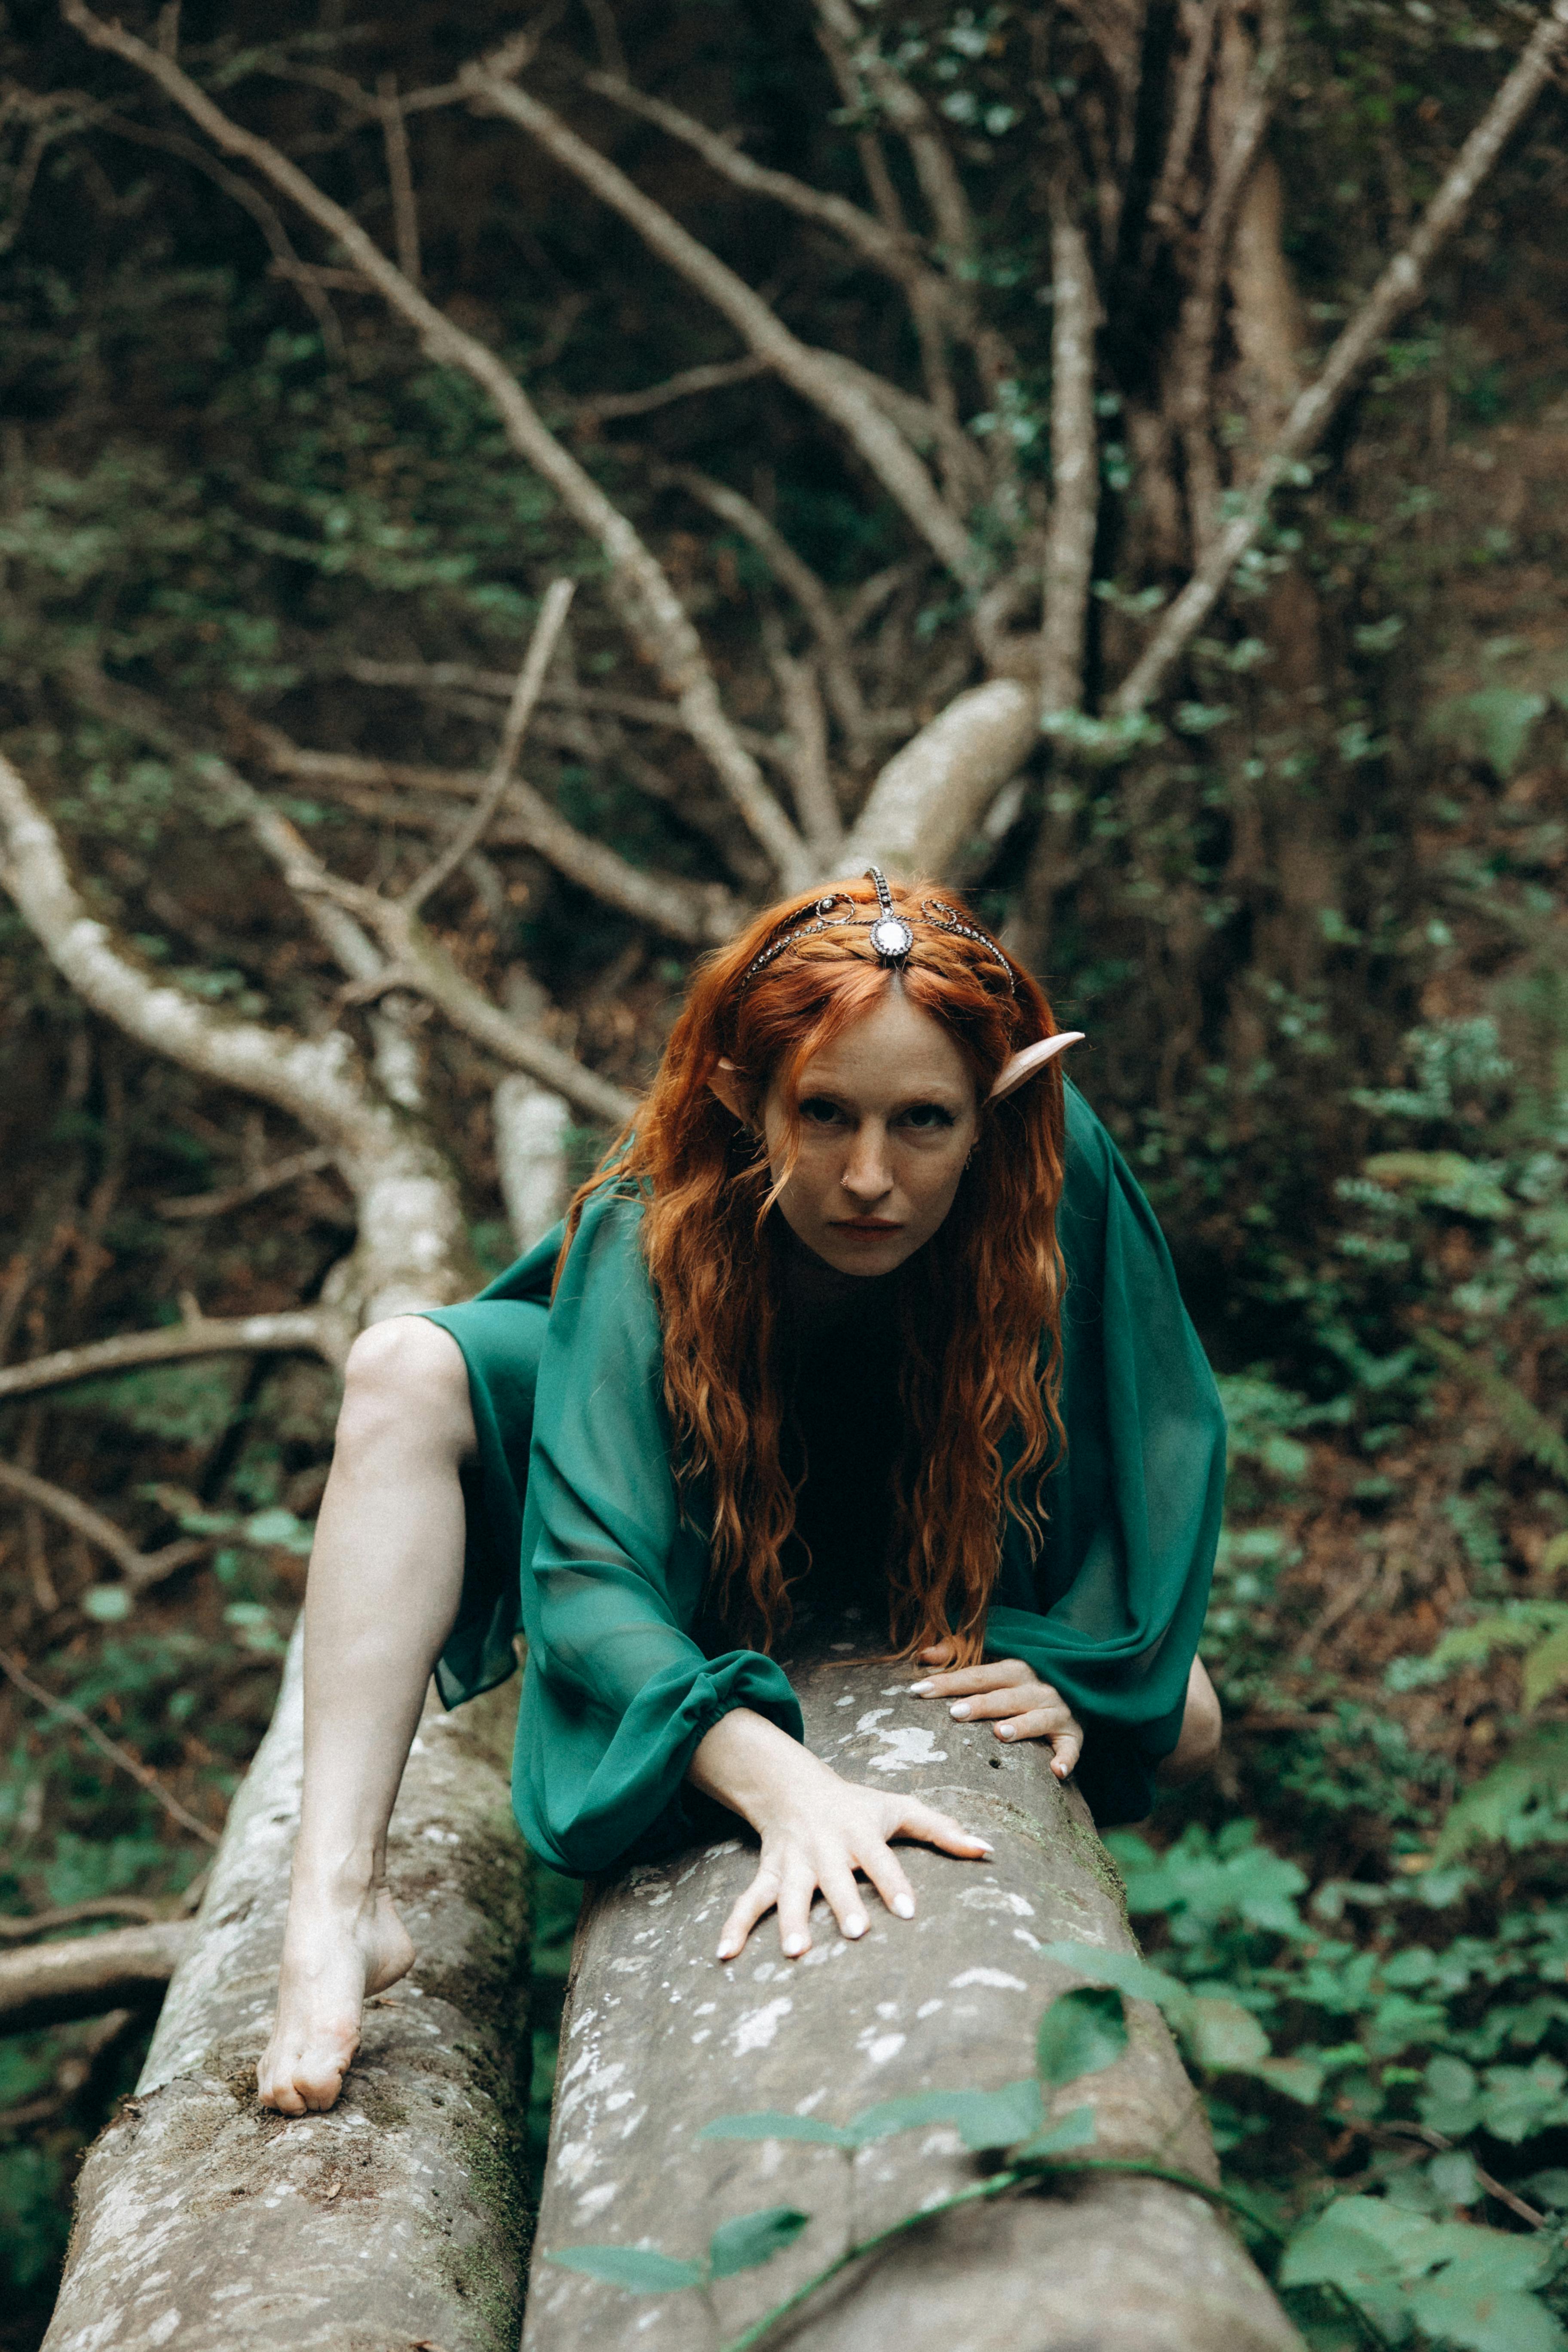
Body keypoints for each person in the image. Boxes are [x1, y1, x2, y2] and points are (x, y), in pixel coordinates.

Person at [258, 870, 1224, 2118]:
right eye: (823, 1114)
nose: (869, 1176)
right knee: (401, 1366)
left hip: (925, 1536)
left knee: (1187, 1713)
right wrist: (787, 1784)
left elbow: (1159, 1437)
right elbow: (588, 1581)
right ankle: (333, 1906)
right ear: (742, 1098)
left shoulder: (1050, 1161)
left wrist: (1087, 1668)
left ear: (991, 1110)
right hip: (692, 1525)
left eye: (924, 1123)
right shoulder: (662, 1203)